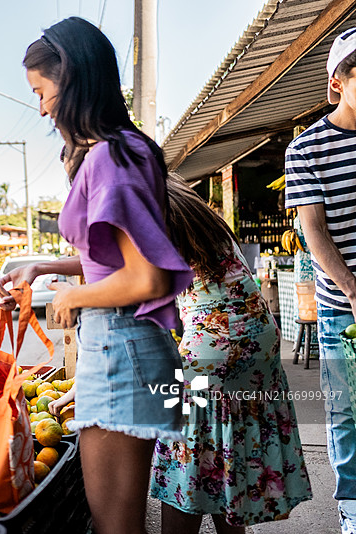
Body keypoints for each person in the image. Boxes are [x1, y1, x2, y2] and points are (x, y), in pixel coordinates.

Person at [0, 17, 194, 533]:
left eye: (42, 92)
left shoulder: (110, 156)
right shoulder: (126, 149)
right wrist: (42, 265)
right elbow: (112, 259)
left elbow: (147, 278)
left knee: (115, 526)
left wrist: (74, 296)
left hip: (121, 351)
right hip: (131, 348)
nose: (40, 107)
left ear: (75, 79)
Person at [148, 174, 312, 533]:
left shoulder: (153, 214)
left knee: (188, 459)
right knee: (228, 455)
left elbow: (143, 288)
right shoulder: (199, 214)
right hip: (259, 343)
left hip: (214, 346)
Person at [285, 28, 356, 534]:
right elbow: (315, 234)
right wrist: (354, 290)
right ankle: (352, 506)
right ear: (338, 82)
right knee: (347, 414)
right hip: (340, 308)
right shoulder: (307, 148)